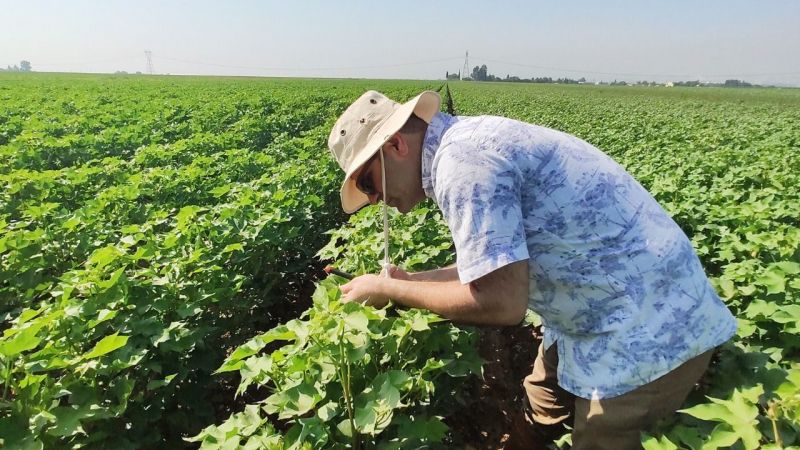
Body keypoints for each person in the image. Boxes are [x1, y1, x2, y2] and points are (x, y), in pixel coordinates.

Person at [327, 90, 737, 450]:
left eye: (367, 182)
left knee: (599, 440)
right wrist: (410, 281)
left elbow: (502, 302)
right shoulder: (464, 144)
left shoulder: (463, 164)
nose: (374, 199)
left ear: (396, 144)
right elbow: (491, 266)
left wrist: (392, 291)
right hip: (589, 306)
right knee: (541, 398)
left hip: (647, 322)